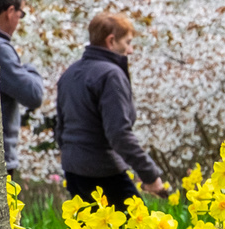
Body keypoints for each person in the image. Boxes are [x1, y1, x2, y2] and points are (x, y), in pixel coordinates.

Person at [55, 13, 167, 207]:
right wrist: (150, 175)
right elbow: (119, 133)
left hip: (73, 170)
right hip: (103, 172)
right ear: (111, 41)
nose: (130, 50)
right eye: (128, 42)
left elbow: (60, 128)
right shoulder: (111, 76)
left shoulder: (71, 73)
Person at [0, 0, 43, 179]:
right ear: (10, 11)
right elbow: (33, 94)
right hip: (0, 157)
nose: (19, 21)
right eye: (20, 15)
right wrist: (29, 69)